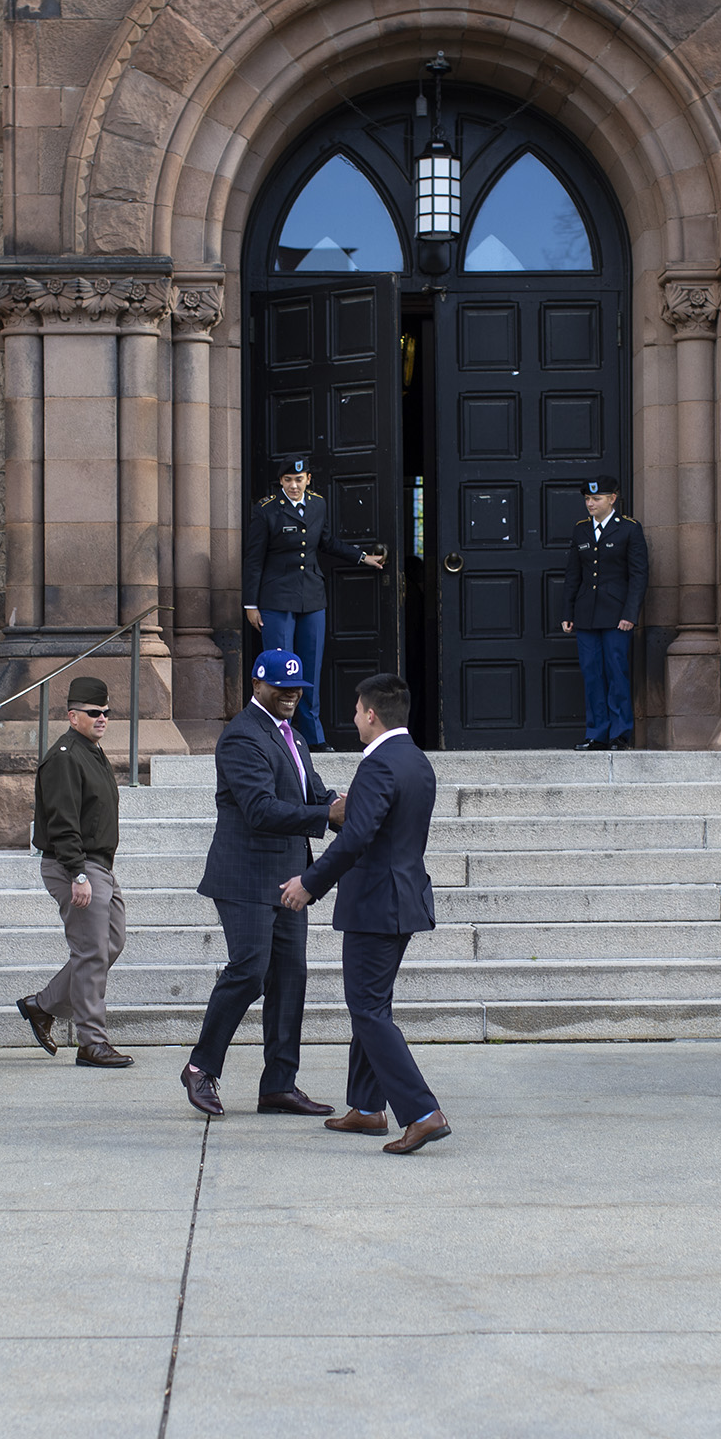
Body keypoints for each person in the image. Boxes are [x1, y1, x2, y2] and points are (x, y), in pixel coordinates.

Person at [280, 673, 450, 1156]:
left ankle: (421, 1112)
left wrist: (309, 884)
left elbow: (357, 838)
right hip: (401, 899)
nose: (354, 718)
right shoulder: (415, 760)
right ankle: (367, 1106)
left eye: (356, 711)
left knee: (369, 1010)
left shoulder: (377, 765)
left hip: (377, 904)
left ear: (371, 715)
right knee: (373, 1006)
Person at [181, 649, 341, 1120]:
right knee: (249, 970)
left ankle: (278, 1086)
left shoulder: (293, 735)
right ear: (257, 685)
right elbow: (260, 810)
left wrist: (345, 808)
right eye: (281, 687)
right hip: (245, 877)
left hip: (289, 877)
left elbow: (312, 793)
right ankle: (199, 1068)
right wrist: (325, 815)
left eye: (297, 688)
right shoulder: (241, 738)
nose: (291, 695)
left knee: (290, 979)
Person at [16, 675, 134, 1069]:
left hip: (98, 864)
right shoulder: (65, 756)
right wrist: (77, 873)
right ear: (72, 715)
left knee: (109, 944)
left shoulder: (90, 751)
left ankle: (42, 1005)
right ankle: (91, 1042)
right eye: (93, 713)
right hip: (77, 865)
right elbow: (63, 820)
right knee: (90, 953)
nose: (102, 718)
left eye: (106, 712)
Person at [242, 457, 386, 751]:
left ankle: (313, 736)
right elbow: (253, 559)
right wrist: (250, 605)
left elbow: (327, 542)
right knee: (280, 670)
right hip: (276, 599)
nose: (293, 486)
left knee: (310, 669)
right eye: (287, 481)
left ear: (308, 478)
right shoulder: (266, 510)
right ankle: (275, 737)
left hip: (312, 597)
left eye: (299, 480)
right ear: (281, 482)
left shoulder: (318, 504)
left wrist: (362, 557)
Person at [561, 474, 649, 752]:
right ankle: (596, 733)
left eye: (596, 499)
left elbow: (638, 575)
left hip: (616, 615)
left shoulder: (629, 530)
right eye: (587, 499)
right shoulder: (581, 530)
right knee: (591, 673)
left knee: (616, 671)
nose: (590, 504)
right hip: (587, 613)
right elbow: (573, 574)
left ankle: (620, 733)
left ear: (612, 499)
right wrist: (568, 611)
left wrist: (631, 613)